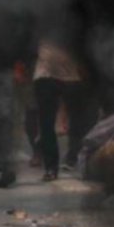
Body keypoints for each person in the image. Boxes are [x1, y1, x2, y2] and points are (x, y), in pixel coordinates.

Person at [33, 39, 93, 181]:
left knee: (80, 119)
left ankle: (75, 158)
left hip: (71, 73)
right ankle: (51, 167)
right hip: (45, 73)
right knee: (47, 123)